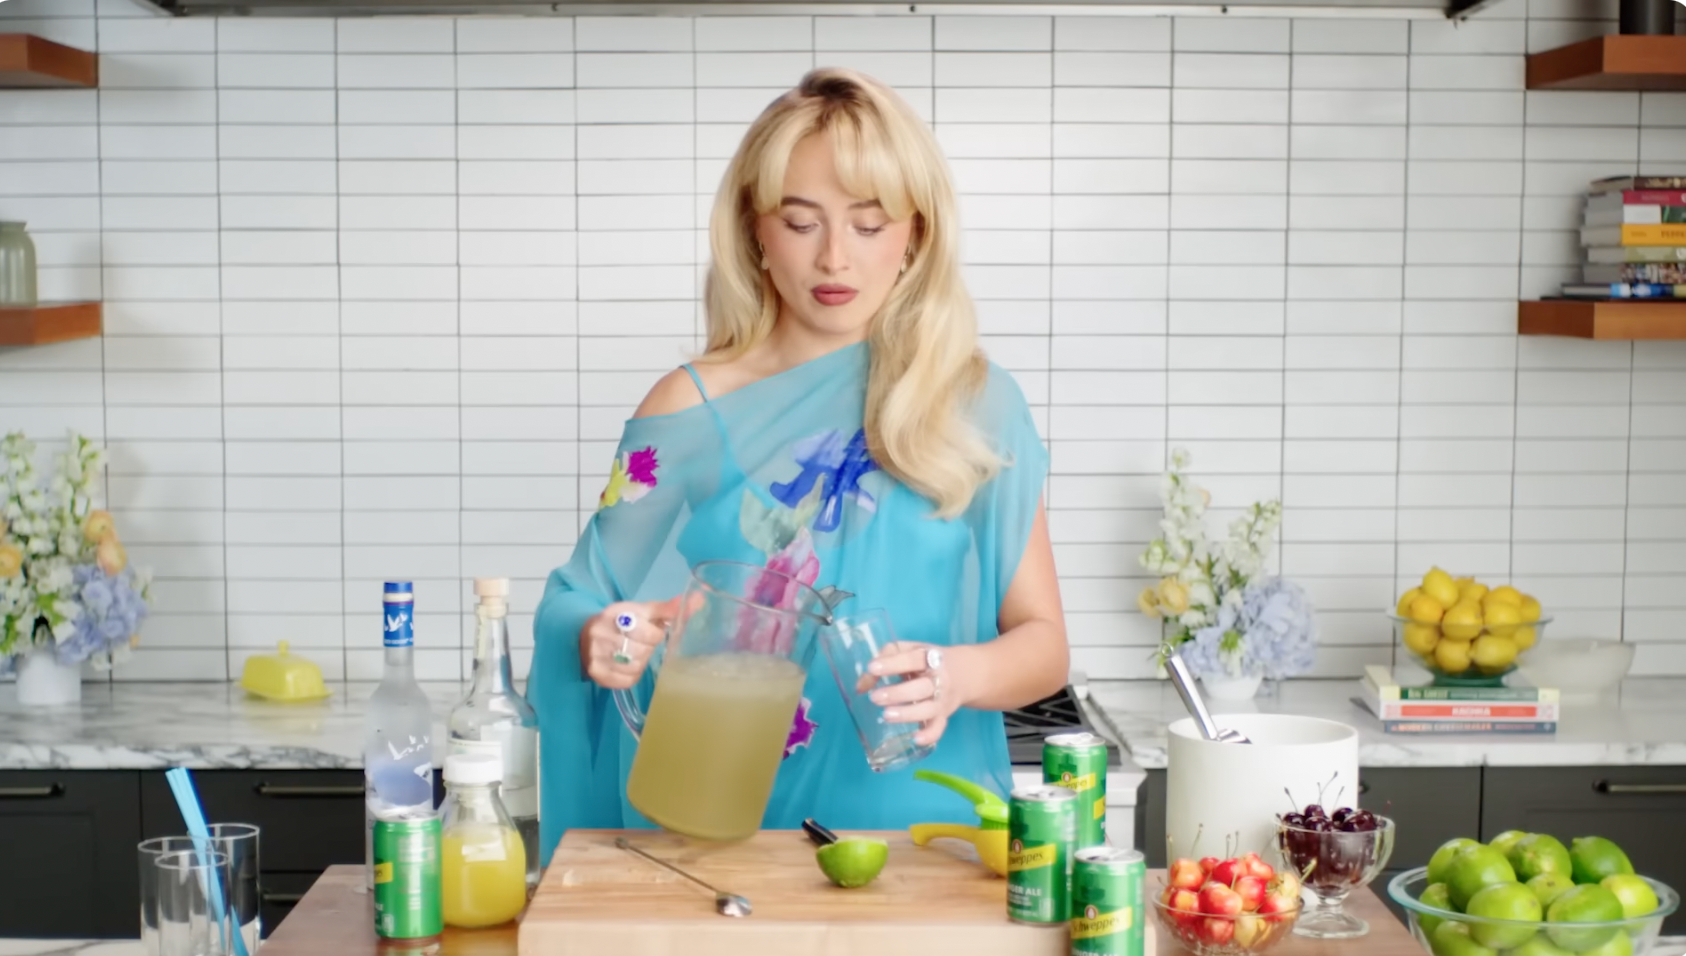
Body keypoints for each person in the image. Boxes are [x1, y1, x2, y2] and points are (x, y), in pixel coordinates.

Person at [528, 67, 1069, 866]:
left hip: (925, 848)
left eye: (869, 223)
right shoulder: (687, 406)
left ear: (914, 234)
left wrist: (958, 675)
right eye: (801, 220)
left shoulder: (976, 406)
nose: (835, 258)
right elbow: (580, 598)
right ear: (756, 231)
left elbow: (1045, 642)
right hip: (722, 851)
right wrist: (604, 633)